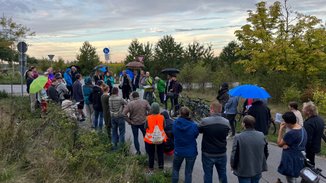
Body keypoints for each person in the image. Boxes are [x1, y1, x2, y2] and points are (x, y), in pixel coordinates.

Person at [198, 101, 230, 183]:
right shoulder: (226, 122)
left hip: (208, 153)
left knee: (208, 175)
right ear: (220, 110)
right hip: (221, 153)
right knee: (222, 174)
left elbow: (199, 130)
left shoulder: (205, 121)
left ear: (212, 109)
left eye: (210, 109)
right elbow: (227, 133)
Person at [231, 115, 269, 183]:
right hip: (257, 168)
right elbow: (266, 152)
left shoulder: (238, 137)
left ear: (244, 124)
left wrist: (233, 165)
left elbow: (234, 154)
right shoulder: (261, 135)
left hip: (243, 170)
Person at [277, 112, 307, 183]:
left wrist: (280, 129)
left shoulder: (292, 133)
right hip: (300, 157)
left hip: (291, 159)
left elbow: (279, 143)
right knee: (294, 177)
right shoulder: (302, 129)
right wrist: (289, 145)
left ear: (288, 123)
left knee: (291, 179)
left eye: (285, 122)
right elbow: (298, 142)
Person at [172, 107, 199, 183]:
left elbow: (173, 133)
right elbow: (196, 135)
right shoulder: (193, 125)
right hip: (191, 152)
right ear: (188, 114)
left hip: (178, 151)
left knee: (175, 170)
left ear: (180, 114)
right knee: (188, 173)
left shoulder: (175, 123)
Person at [144, 102, 167, 173]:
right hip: (160, 138)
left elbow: (145, 127)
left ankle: (151, 168)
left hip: (150, 139)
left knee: (151, 154)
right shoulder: (162, 117)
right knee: (160, 153)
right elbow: (164, 126)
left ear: (151, 109)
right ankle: (161, 168)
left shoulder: (148, 118)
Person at [302, 101, 324, 166]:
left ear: (308, 111)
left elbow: (308, 139)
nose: (302, 110)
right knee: (311, 164)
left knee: (307, 168)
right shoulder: (320, 119)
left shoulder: (309, 123)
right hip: (316, 146)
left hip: (309, 149)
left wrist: (303, 151)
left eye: (303, 109)